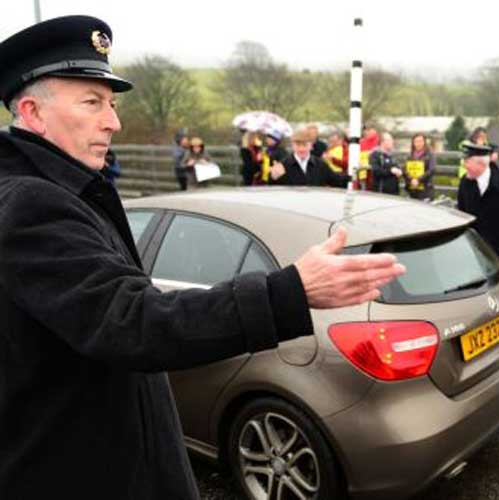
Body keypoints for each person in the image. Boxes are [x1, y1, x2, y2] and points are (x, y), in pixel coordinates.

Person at [0, 16, 405, 500]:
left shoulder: (67, 190)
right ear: (32, 111)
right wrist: (291, 290)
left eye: (111, 104)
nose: (114, 121)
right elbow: (132, 321)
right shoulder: (29, 205)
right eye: (92, 103)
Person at [269, 128, 350, 187]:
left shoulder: (320, 165)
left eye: (305, 145)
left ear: (311, 146)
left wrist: (353, 177)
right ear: (292, 146)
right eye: (297, 145)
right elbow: (274, 191)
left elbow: (337, 181)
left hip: (314, 208)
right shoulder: (283, 165)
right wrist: (273, 178)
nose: (301, 149)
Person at [404, 132, 436, 200]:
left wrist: (418, 180)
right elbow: (405, 169)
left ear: (424, 142)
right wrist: (411, 179)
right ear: (413, 143)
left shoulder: (430, 154)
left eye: (420, 141)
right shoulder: (410, 155)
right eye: (416, 141)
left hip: (425, 189)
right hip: (412, 189)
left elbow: (431, 170)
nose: (418, 143)